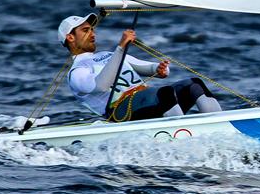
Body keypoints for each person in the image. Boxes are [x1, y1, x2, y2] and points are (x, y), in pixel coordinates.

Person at [58, 13, 222, 122]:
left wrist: (160, 69)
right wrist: (121, 47)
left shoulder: (109, 55)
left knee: (193, 84)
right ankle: (186, 136)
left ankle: (220, 125)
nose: (93, 34)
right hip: (121, 113)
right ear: (70, 37)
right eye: (86, 30)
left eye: (93, 29)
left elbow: (150, 69)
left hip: (147, 101)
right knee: (164, 93)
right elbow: (100, 85)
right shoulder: (76, 72)